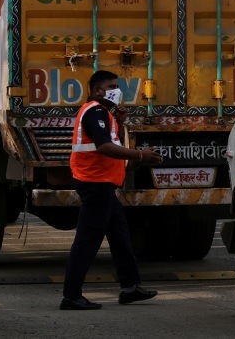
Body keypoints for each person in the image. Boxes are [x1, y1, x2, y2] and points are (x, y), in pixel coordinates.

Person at [60, 69, 164, 310]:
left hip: (104, 184)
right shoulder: (95, 111)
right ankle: (71, 296)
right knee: (87, 241)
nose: (116, 91)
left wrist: (119, 121)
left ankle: (130, 287)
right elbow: (104, 146)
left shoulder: (105, 113)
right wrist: (140, 155)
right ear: (97, 90)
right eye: (110, 86)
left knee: (120, 236)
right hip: (94, 183)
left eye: (116, 86)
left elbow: (110, 140)